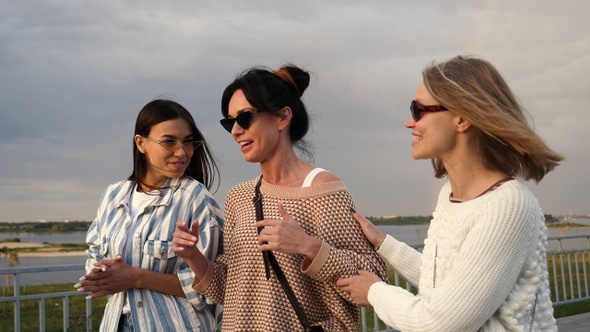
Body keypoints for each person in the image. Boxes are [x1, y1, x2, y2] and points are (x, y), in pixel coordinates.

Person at [336, 55, 563, 331]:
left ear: (462, 118)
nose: (410, 123)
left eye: (418, 109)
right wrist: (384, 243)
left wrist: (374, 292)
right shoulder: (451, 195)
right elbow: (446, 284)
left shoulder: (507, 206)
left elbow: (441, 323)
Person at [172, 65, 387, 331]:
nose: (235, 131)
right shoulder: (239, 197)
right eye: (230, 122)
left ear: (283, 117)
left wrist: (308, 246)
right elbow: (232, 291)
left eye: (245, 118)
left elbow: (375, 280)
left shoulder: (322, 190)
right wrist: (194, 257)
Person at [75, 99, 224, 331]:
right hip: (115, 323)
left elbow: (212, 288)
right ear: (141, 143)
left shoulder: (195, 198)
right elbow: (93, 255)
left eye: (187, 142)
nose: (181, 152)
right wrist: (102, 272)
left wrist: (136, 277)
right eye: (169, 142)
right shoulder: (113, 195)